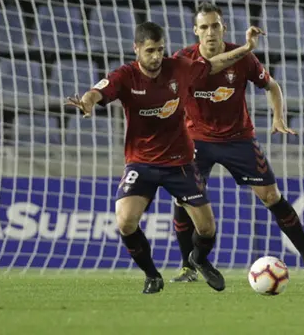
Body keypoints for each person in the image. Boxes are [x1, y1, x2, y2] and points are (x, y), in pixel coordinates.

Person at [66, 21, 262, 293]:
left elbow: (214, 64)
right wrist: (87, 102)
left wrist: (246, 48)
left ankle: (198, 259)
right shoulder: (125, 76)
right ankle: (152, 274)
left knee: (206, 229)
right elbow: (97, 91)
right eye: (150, 51)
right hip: (141, 163)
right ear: (136, 49)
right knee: (125, 221)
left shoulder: (179, 68)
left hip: (179, 162)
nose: (156, 56)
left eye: (160, 49)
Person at [169, 2, 304, 283]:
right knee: (184, 200)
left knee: (271, 196)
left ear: (223, 28)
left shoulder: (243, 60)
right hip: (195, 139)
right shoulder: (183, 58)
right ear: (195, 31)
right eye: (204, 27)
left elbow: (272, 86)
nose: (210, 32)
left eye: (215, 26)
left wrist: (278, 117)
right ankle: (186, 267)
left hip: (238, 138)